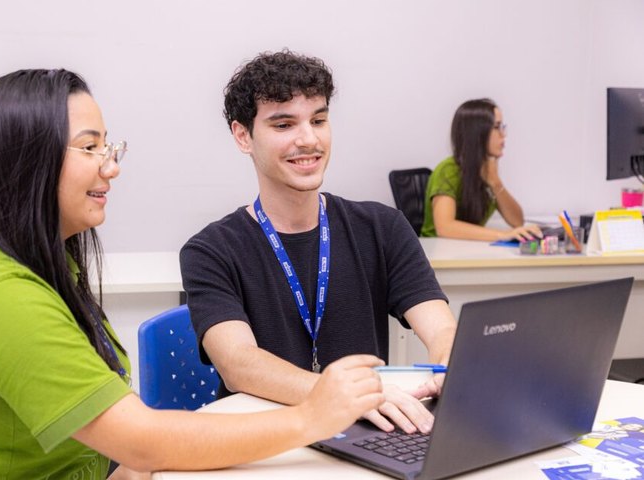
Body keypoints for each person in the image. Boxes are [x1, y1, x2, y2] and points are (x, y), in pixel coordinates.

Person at [0, 69, 386, 479]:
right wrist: (311, 417)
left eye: (109, 146)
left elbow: (118, 441)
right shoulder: (2, 296)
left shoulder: (37, 259)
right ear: (28, 161)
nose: (110, 167)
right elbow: (140, 439)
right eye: (90, 148)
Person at [179, 50, 457, 436]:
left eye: (319, 120)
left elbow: (442, 330)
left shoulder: (382, 227)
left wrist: (449, 363)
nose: (308, 139)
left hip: (369, 435)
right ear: (243, 136)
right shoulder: (211, 250)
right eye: (284, 124)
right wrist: (346, 396)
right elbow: (238, 363)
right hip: (265, 438)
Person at [420, 98, 543, 241]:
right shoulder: (448, 170)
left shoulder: (485, 170)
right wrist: (502, 235)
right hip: (438, 253)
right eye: (497, 127)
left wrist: (496, 183)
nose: (503, 135)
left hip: (464, 249)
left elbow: (517, 222)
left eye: (503, 127)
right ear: (477, 133)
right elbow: (445, 227)